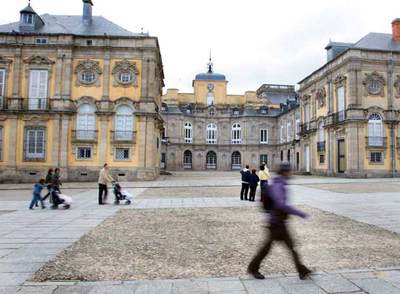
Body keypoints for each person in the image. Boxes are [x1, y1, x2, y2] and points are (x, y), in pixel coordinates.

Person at [248, 161, 312, 280]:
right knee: (267, 249)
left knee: (290, 247)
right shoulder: (279, 184)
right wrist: (300, 213)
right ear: (285, 172)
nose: (291, 172)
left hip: (279, 222)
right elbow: (280, 204)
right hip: (276, 223)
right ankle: (253, 268)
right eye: (290, 170)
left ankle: (302, 270)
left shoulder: (281, 182)